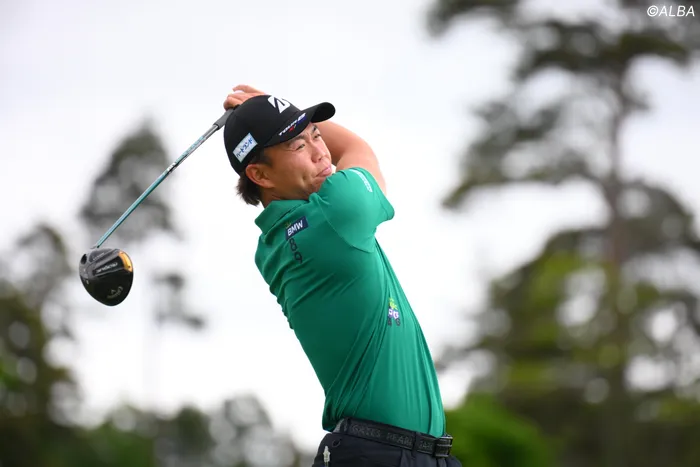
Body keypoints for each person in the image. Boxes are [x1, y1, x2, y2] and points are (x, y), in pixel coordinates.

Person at [221, 85, 461, 467]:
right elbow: (355, 148)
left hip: (384, 452)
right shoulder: (337, 212)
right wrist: (274, 103)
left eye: (317, 134)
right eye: (299, 146)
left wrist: (285, 116)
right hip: (382, 455)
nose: (321, 152)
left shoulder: (271, 246)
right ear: (260, 174)